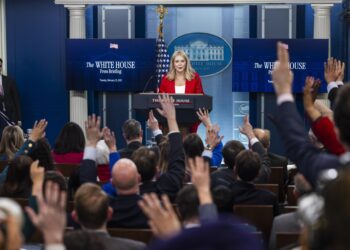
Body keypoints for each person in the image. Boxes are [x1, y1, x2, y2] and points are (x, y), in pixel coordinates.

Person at [159, 50, 204, 133]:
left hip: (189, 121)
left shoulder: (194, 77)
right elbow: (161, 99)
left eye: (182, 61)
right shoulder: (166, 79)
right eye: (177, 61)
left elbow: (200, 98)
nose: (179, 64)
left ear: (186, 63)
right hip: (168, 122)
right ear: (173, 63)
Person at [0, 58, 21, 127]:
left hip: (11, 117)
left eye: (0, 66)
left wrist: (19, 118)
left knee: (11, 137)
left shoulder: (9, 81)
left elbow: (16, 100)